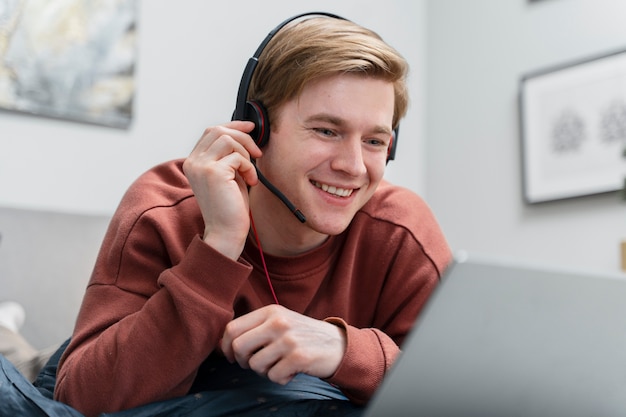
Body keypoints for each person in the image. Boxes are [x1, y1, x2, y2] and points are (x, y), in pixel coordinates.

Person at [54, 12, 451, 417]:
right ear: (257, 128)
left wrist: (343, 349)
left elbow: (466, 392)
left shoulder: (401, 229)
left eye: (374, 140)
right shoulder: (163, 210)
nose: (353, 166)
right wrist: (220, 244)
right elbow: (81, 401)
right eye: (326, 131)